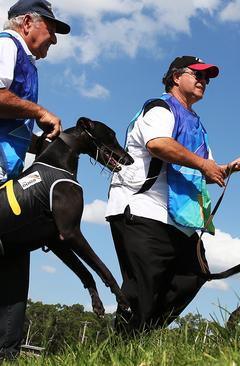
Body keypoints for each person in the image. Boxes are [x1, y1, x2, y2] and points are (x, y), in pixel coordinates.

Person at [106, 55, 240, 333]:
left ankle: (141, 335)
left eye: (207, 78)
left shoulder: (197, 124)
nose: (204, 81)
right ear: (176, 77)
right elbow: (159, 144)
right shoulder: (160, 109)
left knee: (193, 277)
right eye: (197, 75)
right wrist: (204, 165)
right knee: (143, 288)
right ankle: (123, 347)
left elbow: (204, 172)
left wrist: (230, 168)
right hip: (142, 209)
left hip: (177, 219)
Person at [0, 0, 69, 359]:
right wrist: (39, 110)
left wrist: (37, 142)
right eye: (51, 30)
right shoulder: (6, 45)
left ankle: (7, 353)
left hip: (8, 174)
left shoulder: (25, 59)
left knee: (13, 260)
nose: (54, 41)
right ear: (28, 22)